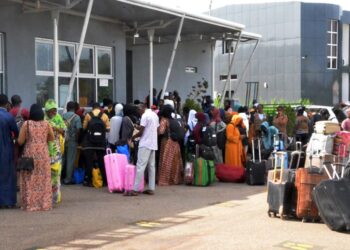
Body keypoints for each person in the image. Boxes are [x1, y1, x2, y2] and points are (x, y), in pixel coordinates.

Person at [18, 104, 55, 211]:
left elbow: (20, 141)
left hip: (30, 154)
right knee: (43, 178)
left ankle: (30, 203)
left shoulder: (27, 124)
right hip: (43, 154)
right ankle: (43, 204)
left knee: (30, 178)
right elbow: (52, 138)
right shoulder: (46, 124)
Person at [128, 104, 159, 196]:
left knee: (140, 165)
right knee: (151, 166)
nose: (138, 112)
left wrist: (133, 137)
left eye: (138, 110)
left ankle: (135, 189)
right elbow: (155, 129)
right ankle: (151, 188)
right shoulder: (154, 115)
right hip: (153, 144)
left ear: (141, 108)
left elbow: (141, 132)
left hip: (145, 144)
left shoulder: (145, 116)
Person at [82, 102, 110, 187]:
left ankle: (88, 181)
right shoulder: (104, 115)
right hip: (100, 142)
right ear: (99, 108)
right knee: (102, 161)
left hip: (89, 142)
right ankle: (105, 181)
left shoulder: (88, 115)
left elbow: (84, 128)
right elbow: (108, 129)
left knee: (89, 162)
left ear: (92, 108)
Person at [45, 99, 66, 204]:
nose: (54, 113)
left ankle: (56, 196)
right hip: (45, 150)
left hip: (56, 150)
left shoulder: (58, 118)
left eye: (55, 110)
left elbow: (64, 130)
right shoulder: (43, 118)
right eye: (51, 111)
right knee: (47, 173)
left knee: (57, 173)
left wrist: (56, 127)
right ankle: (47, 196)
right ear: (47, 111)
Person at [0, 94, 19, 209]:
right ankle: (8, 201)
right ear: (7, 104)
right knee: (8, 175)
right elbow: (16, 133)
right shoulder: (8, 116)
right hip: (6, 149)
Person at [158, 105, 183, 186]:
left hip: (167, 142)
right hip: (176, 143)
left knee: (166, 162)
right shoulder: (174, 120)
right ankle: (175, 179)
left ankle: (165, 180)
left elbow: (161, 132)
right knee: (174, 162)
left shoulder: (164, 120)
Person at [62, 101, 82, 185]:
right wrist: (77, 139)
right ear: (75, 108)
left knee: (62, 159)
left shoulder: (62, 116)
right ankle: (68, 179)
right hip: (72, 141)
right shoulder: (77, 117)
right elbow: (78, 130)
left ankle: (58, 177)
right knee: (70, 160)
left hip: (63, 140)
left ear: (67, 107)